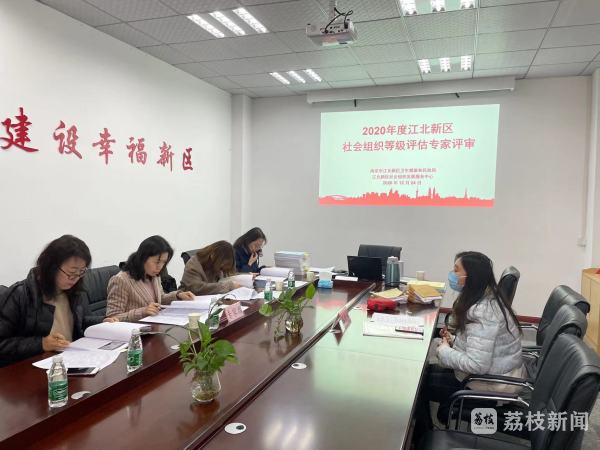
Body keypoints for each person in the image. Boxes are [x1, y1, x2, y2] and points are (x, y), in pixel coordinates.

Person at [419, 251, 524, 428]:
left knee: (419, 385)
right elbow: (480, 345)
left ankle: (424, 434)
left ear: (471, 276)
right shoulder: (487, 298)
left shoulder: (482, 312)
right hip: (494, 373)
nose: (452, 275)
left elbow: (477, 365)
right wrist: (454, 341)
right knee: (425, 374)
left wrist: (444, 351)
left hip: (491, 385)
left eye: (456, 270)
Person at [0, 235, 115, 367]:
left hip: (70, 361)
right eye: (71, 273)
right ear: (51, 267)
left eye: (81, 272)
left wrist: (101, 322)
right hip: (33, 367)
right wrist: (41, 344)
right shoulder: (20, 294)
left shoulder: (74, 292)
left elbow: (80, 323)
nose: (75, 278)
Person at [106, 236, 194, 322]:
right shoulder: (120, 280)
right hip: (134, 329)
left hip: (154, 325)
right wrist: (142, 312)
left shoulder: (154, 275)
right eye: (157, 262)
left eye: (163, 262)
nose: (160, 267)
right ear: (143, 258)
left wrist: (178, 295)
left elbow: (160, 299)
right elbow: (112, 317)